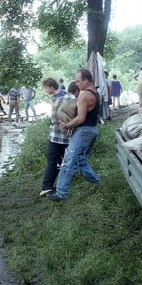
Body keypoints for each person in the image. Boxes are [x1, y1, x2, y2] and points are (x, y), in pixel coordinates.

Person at [47, 69, 102, 202]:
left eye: (78, 81)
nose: (76, 84)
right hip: (92, 130)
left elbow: (81, 118)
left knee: (68, 162)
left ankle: (61, 194)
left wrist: (67, 125)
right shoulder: (96, 93)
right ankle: (98, 182)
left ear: (86, 80)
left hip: (83, 131)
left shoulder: (84, 95)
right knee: (80, 160)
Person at [40, 78, 69, 197]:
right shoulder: (67, 95)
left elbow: (54, 118)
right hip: (66, 135)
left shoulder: (58, 99)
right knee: (63, 160)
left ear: (51, 86)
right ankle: (61, 184)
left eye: (46, 88)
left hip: (56, 135)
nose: (45, 90)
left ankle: (47, 187)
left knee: (52, 160)